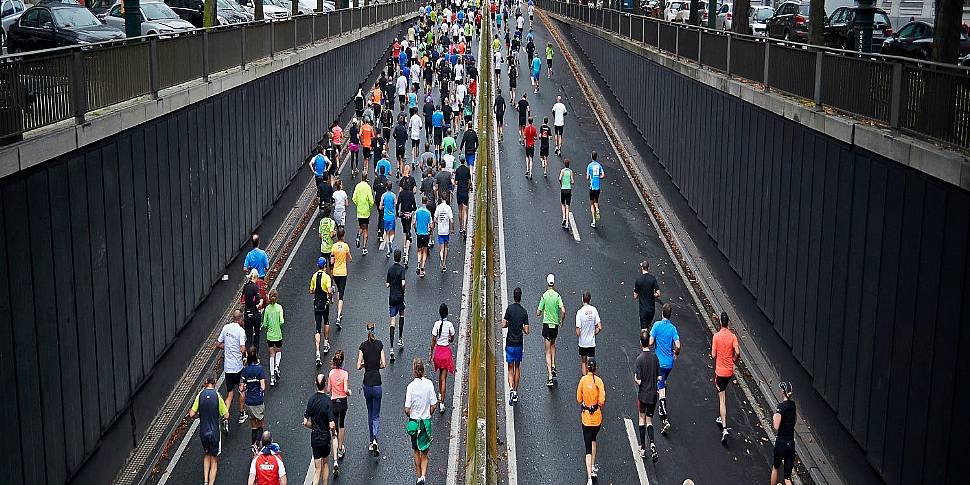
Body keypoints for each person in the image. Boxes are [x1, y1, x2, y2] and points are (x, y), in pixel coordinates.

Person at [187, 376, 228, 485]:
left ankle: (205, 481)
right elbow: (226, 415)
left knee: (206, 454)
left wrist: (199, 415)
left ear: (206, 382)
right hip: (214, 432)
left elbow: (191, 413)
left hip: (203, 432)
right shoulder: (217, 396)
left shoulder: (200, 395)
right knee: (214, 459)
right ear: (214, 383)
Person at [405, 359, 438, 485]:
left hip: (415, 422)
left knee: (415, 450)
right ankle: (423, 476)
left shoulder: (410, 387)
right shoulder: (429, 384)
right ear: (423, 370)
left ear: (414, 370)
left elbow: (407, 409)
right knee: (424, 452)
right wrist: (428, 414)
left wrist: (412, 415)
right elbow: (434, 404)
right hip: (425, 423)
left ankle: (418, 476)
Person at [649, 303, 681, 435]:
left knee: (660, 387)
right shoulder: (673, 329)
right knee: (663, 382)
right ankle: (661, 391)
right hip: (669, 364)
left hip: (659, 363)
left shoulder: (656, 326)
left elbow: (650, 342)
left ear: (662, 313)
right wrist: (675, 352)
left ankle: (664, 416)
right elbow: (678, 345)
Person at [711, 312, 740, 444]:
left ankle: (724, 428)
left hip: (720, 372)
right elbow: (738, 352)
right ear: (728, 323)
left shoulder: (716, 336)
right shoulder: (733, 337)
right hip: (729, 371)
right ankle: (721, 419)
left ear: (720, 323)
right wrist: (734, 360)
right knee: (724, 392)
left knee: (722, 399)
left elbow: (713, 355)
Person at [358, 322, 387, 456]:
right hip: (377, 383)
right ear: (375, 330)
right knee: (376, 414)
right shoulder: (380, 345)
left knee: (370, 412)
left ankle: (371, 441)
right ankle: (375, 438)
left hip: (367, 384)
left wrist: (366, 365)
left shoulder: (363, 346)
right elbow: (384, 364)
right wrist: (376, 365)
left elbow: (358, 366)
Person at [576, 357, 606, 485]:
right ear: (596, 368)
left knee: (587, 447)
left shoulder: (583, 380)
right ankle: (593, 467)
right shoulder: (599, 381)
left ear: (587, 367)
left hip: (586, 419)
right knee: (593, 440)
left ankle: (589, 478)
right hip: (597, 419)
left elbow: (578, 398)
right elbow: (602, 401)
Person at [304, 373, 337, 485]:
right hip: (325, 437)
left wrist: (314, 427)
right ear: (325, 384)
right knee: (325, 464)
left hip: (315, 438)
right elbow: (332, 424)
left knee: (317, 469)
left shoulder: (311, 400)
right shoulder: (328, 401)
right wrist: (333, 433)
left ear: (315, 384)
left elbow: (305, 422)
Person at [634, 329, 660, 462]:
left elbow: (638, 380)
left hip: (643, 395)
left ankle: (643, 447)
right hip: (653, 396)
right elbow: (660, 377)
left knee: (641, 418)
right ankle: (652, 443)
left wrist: (636, 378)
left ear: (640, 343)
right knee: (650, 420)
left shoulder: (639, 359)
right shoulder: (655, 357)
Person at [218, 309, 248, 425]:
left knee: (229, 393)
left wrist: (228, 347)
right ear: (241, 319)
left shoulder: (225, 328)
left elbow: (219, 344)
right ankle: (241, 414)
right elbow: (242, 349)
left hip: (228, 367)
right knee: (241, 390)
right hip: (238, 367)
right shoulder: (241, 331)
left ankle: (225, 417)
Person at [537, 273, 565, 387]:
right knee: (553, 344)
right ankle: (553, 364)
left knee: (547, 350)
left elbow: (538, 312)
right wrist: (561, 320)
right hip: (555, 325)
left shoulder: (544, 296)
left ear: (547, 283)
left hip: (547, 325)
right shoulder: (558, 296)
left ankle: (549, 376)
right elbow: (563, 310)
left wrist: (540, 311)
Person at [502, 287, 529, 405]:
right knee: (517, 367)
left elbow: (503, 324)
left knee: (510, 367)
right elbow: (527, 330)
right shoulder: (524, 312)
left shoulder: (509, 309)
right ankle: (516, 391)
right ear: (521, 297)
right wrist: (521, 326)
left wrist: (509, 323)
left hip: (509, 343)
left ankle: (511, 389)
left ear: (513, 296)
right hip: (518, 343)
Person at [429, 303, 456, 414]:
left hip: (438, 353)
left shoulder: (436, 324)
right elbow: (452, 338)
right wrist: (449, 339)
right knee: (444, 378)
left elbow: (433, 340)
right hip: (446, 353)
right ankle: (442, 403)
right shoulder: (449, 324)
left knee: (440, 374)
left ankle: (440, 393)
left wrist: (431, 352)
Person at [326, 351, 351, 467]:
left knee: (334, 428)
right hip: (343, 401)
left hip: (334, 401)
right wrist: (348, 392)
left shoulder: (331, 373)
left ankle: (335, 456)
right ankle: (341, 448)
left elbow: (328, 389)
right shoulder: (345, 374)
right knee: (342, 424)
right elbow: (346, 389)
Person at [771, 382, 797, 485]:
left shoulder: (781, 407)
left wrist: (774, 417)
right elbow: (794, 420)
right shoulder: (793, 405)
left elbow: (776, 426)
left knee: (775, 467)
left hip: (781, 443)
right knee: (787, 477)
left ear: (783, 391)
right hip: (791, 443)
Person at [241, 349, 267, 448]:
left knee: (253, 426)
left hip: (248, 402)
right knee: (260, 424)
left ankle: (253, 445)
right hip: (258, 401)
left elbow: (242, 387)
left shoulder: (245, 370)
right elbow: (263, 387)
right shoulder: (259, 369)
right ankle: (257, 444)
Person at [309, 257, 333, 363]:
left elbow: (311, 290)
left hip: (316, 304)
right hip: (325, 303)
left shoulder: (314, 276)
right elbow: (329, 290)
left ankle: (317, 353)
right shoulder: (327, 277)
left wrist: (315, 291)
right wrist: (330, 297)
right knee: (326, 322)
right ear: (324, 266)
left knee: (317, 328)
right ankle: (326, 343)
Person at [386, 249, 407, 359]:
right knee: (402, 315)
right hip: (400, 297)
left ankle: (391, 348)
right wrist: (403, 289)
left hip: (392, 297)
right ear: (400, 258)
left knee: (392, 321)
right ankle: (400, 339)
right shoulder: (402, 269)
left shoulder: (390, 269)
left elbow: (387, 284)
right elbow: (403, 283)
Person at [261, 290, 285, 386]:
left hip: (270, 336)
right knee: (278, 351)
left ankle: (271, 377)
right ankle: (276, 366)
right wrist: (278, 327)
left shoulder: (267, 309)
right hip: (278, 334)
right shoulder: (279, 308)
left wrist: (268, 328)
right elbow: (282, 321)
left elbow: (265, 323)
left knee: (271, 354)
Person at [575, 290, 601, 375]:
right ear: (590, 299)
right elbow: (599, 327)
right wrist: (594, 333)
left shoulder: (579, 312)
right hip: (591, 342)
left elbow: (578, 330)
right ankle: (592, 379)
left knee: (583, 361)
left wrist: (579, 335)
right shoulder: (594, 310)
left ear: (582, 299)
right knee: (591, 362)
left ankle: (585, 379)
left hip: (583, 343)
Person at [330, 227, 351, 328]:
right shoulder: (346, 246)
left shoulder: (333, 247)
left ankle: (339, 311)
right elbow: (350, 258)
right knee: (341, 294)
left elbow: (331, 261)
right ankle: (338, 316)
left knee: (339, 291)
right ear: (343, 236)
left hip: (335, 273)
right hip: (343, 273)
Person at [397, 166, 418, 266]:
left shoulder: (401, 194)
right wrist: (412, 211)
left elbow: (397, 204)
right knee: (408, 230)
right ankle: (406, 252)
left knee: (404, 231)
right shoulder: (411, 194)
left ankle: (405, 246)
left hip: (402, 214)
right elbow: (414, 206)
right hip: (409, 214)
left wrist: (398, 213)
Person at [633, 260, 661, 330]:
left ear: (642, 268)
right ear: (649, 268)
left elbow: (635, 296)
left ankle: (644, 340)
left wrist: (640, 292)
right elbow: (658, 293)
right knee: (648, 326)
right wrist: (652, 295)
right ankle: (648, 337)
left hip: (643, 310)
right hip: (651, 309)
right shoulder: (653, 279)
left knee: (643, 329)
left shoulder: (638, 280)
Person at [353, 173, 375, 254]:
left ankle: (358, 235)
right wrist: (370, 205)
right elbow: (371, 200)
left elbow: (354, 198)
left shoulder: (358, 186)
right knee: (365, 228)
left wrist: (358, 204)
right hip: (366, 211)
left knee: (361, 226)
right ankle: (364, 248)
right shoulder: (368, 187)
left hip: (359, 211)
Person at [242, 269, 264, 352]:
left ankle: (248, 355)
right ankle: (255, 355)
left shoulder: (245, 286)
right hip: (255, 314)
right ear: (256, 277)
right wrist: (261, 301)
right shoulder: (255, 288)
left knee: (249, 336)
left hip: (247, 314)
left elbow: (243, 300)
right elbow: (258, 304)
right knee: (257, 335)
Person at [413, 197, 433, 278]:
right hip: (425, 234)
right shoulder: (428, 213)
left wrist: (416, 229)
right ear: (426, 202)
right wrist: (430, 230)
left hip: (419, 233)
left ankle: (418, 262)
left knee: (419, 250)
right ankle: (422, 268)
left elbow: (414, 223)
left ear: (421, 201)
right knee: (425, 251)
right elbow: (431, 225)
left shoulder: (417, 211)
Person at [434, 197, 454, 272]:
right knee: (446, 247)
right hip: (446, 231)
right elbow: (451, 220)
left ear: (441, 199)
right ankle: (444, 262)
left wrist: (438, 223)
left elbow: (435, 219)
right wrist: (452, 229)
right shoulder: (448, 208)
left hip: (440, 231)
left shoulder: (438, 207)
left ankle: (441, 257)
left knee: (441, 248)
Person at [586, 151, 605, 228]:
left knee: (591, 203)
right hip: (598, 187)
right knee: (596, 201)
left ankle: (593, 221)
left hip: (592, 187)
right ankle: (597, 208)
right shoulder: (599, 165)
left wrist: (591, 177)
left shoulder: (589, 166)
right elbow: (603, 175)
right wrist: (598, 177)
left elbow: (587, 177)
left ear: (591, 156)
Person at [454, 154, 472, 235]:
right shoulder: (467, 170)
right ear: (464, 161)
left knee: (460, 210)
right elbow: (469, 181)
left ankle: (460, 227)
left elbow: (456, 182)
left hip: (459, 191)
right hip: (465, 191)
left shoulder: (457, 170)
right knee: (465, 210)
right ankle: (465, 227)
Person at [380, 181, 397, 258]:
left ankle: (388, 250)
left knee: (386, 233)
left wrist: (383, 207)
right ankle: (391, 241)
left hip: (385, 216)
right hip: (392, 216)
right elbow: (395, 204)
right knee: (392, 233)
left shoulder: (383, 195)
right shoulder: (393, 195)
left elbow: (380, 206)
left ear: (386, 187)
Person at [559, 158, 573, 229]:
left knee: (562, 204)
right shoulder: (570, 171)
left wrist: (561, 184)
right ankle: (567, 222)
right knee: (568, 206)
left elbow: (560, 178)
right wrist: (570, 182)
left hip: (563, 189)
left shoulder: (562, 171)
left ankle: (564, 217)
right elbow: (573, 181)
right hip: (569, 189)